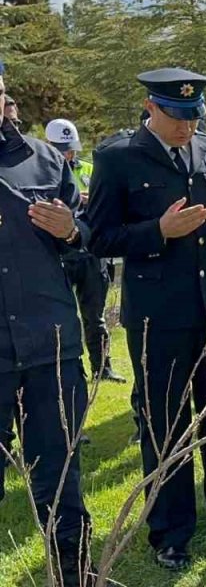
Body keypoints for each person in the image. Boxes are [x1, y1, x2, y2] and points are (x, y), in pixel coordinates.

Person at [86, 68, 206, 571]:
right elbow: (100, 237)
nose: (185, 128)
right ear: (151, 106)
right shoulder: (117, 157)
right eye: (176, 116)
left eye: (193, 117)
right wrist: (158, 230)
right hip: (160, 314)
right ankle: (170, 529)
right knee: (165, 422)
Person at [0, 72, 95, 585]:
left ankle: (73, 574)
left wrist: (72, 230)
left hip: (49, 344)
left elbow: (87, 237)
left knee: (60, 475)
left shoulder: (45, 159)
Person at [46, 118, 126, 383]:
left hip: (91, 253)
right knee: (61, 319)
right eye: (61, 148)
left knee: (96, 316)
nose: (68, 153)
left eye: (70, 147)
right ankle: (65, 374)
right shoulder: (42, 173)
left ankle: (102, 368)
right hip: (60, 255)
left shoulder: (91, 170)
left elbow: (108, 205)